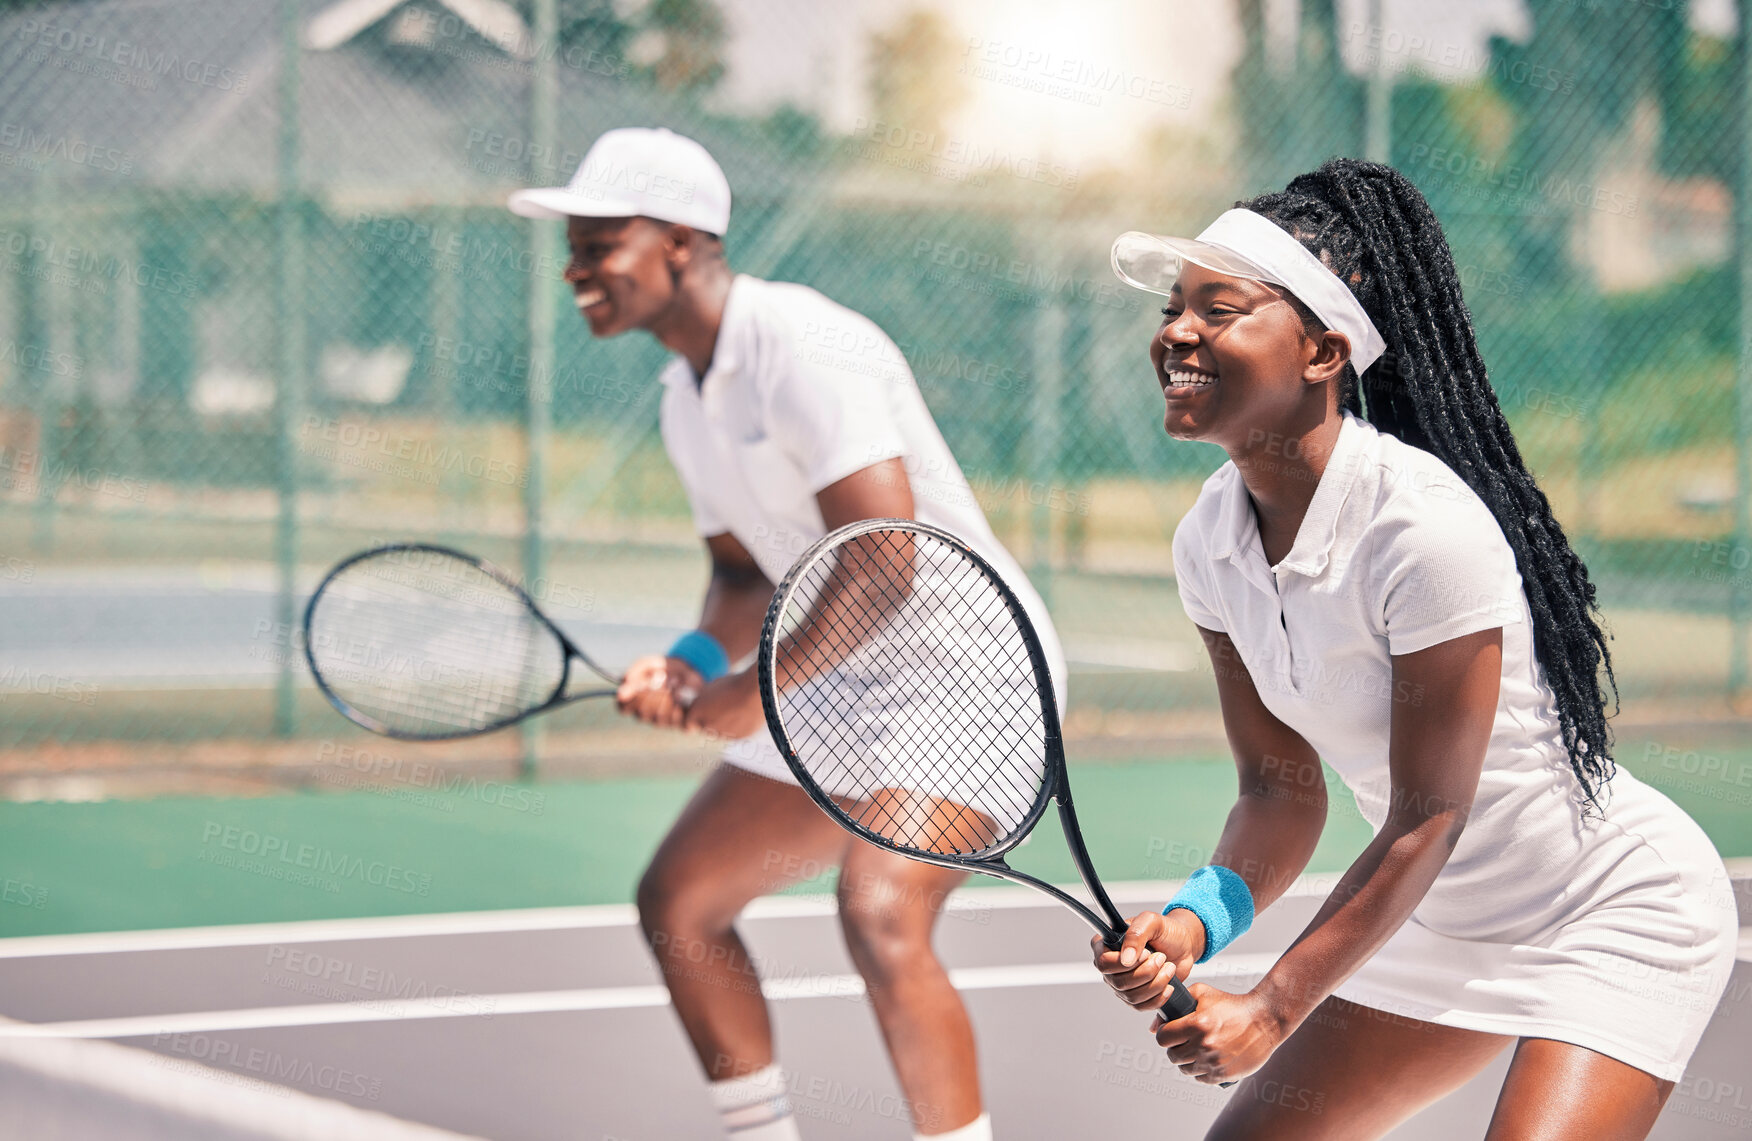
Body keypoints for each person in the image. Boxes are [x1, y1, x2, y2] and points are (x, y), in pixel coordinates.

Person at [1090, 159, 1737, 1140]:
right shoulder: (1208, 542)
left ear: (1323, 352)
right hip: (1442, 920)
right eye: (1176, 308)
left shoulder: (1423, 530)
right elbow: (1278, 793)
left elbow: (1428, 816)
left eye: (1219, 310)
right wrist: (1188, 927)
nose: (1178, 331)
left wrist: (1270, 1008)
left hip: (1609, 911)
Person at [509, 126, 1063, 1141]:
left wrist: (754, 691)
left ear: (679, 242)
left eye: (598, 243)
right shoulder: (686, 396)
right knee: (680, 901)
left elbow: (883, 562)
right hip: (840, 664)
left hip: (970, 670)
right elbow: (740, 572)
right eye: (573, 247)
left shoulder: (803, 346)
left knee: (882, 912)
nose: (575, 268)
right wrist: (690, 663)